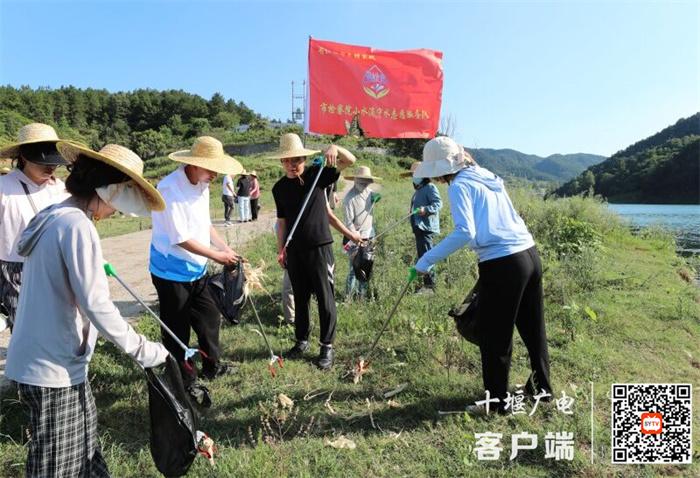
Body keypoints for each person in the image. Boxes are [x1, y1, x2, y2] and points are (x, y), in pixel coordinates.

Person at [6, 142, 169, 477]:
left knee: (86, 455)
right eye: (121, 202)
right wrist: (144, 350)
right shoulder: (76, 226)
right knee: (57, 467)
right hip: (52, 368)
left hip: (55, 361)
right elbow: (96, 305)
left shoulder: (54, 214)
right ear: (111, 191)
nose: (115, 213)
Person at [413, 136, 552, 414]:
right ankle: (542, 389)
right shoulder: (485, 175)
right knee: (533, 327)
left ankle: (497, 404)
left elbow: (466, 232)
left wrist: (425, 260)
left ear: (440, 168)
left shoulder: (459, 185)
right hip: (529, 254)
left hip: (502, 263)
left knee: (494, 335)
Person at [150, 136, 244, 403]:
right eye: (209, 168)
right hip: (171, 271)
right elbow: (181, 238)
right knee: (177, 328)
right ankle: (183, 380)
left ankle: (212, 366)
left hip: (198, 268)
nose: (213, 174)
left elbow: (205, 225)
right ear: (192, 164)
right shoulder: (169, 189)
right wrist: (217, 255)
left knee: (209, 318)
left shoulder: (202, 184)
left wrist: (225, 249)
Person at [271, 133, 355, 370]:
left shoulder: (317, 176)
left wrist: (335, 148)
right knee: (300, 296)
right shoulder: (279, 188)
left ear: (304, 160)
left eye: (296, 160)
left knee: (325, 297)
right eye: (287, 161)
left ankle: (326, 346)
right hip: (294, 250)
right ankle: (301, 340)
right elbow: (282, 222)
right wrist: (281, 249)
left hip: (319, 247)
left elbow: (350, 160)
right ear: (282, 162)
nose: (291, 165)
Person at [0, 123, 71, 332]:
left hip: (57, 265)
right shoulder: (4, 188)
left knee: (58, 325)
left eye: (53, 163)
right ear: (23, 157)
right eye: (43, 162)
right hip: (17, 269)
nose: (50, 167)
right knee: (27, 329)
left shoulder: (60, 188)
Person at [402, 161, 442, 293]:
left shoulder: (430, 187)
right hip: (419, 227)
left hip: (426, 228)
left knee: (427, 256)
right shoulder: (419, 189)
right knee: (423, 256)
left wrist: (425, 209)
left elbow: (438, 204)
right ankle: (427, 284)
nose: (414, 177)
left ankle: (430, 286)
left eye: (416, 174)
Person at [342, 166, 381, 299]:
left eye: (367, 181)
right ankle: (348, 298)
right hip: (354, 237)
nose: (365, 184)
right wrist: (355, 236)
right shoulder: (349, 199)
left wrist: (376, 197)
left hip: (370, 235)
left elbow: (373, 200)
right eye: (362, 181)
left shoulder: (369, 193)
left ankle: (362, 296)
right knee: (354, 269)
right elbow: (348, 223)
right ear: (355, 180)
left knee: (367, 267)